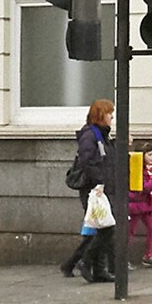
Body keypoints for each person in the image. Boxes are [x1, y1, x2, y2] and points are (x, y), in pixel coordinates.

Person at [60, 99, 115, 282]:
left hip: (101, 187)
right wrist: (99, 181)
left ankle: (92, 267)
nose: (111, 117)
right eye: (109, 113)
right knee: (104, 228)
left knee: (101, 227)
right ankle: (87, 262)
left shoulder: (102, 135)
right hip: (93, 189)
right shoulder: (90, 136)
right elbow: (88, 161)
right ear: (101, 115)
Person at [127, 141, 152, 268]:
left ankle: (148, 255)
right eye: (150, 155)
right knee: (129, 232)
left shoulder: (150, 170)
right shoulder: (137, 170)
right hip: (136, 205)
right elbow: (143, 187)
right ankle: (123, 258)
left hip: (145, 205)